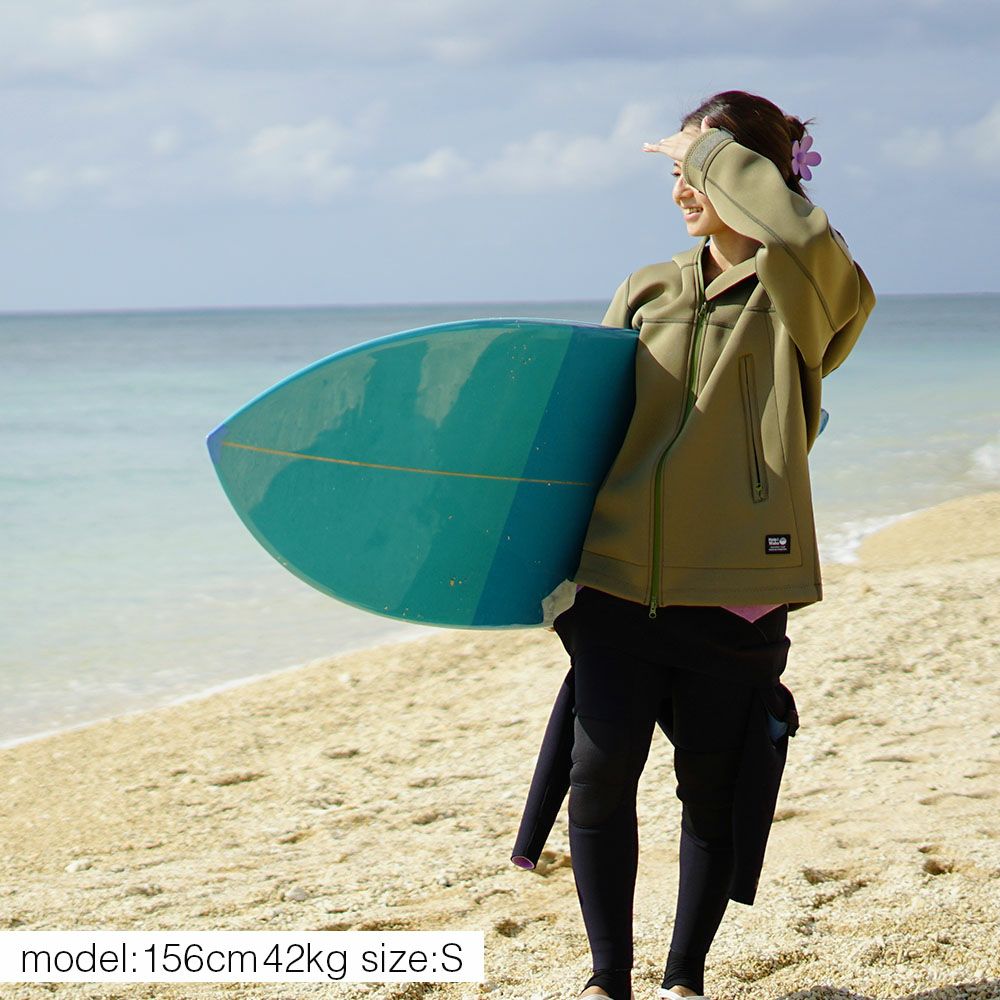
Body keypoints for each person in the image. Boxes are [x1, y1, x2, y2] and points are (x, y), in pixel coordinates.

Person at [509, 91, 876, 1000]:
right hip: (617, 581)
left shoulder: (809, 295)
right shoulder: (649, 289)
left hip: (736, 589)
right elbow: (583, 434)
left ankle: (684, 980)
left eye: (700, 172)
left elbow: (809, 242)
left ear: (755, 177)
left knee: (713, 787)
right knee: (598, 778)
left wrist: (715, 153)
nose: (682, 190)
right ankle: (609, 979)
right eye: (677, 173)